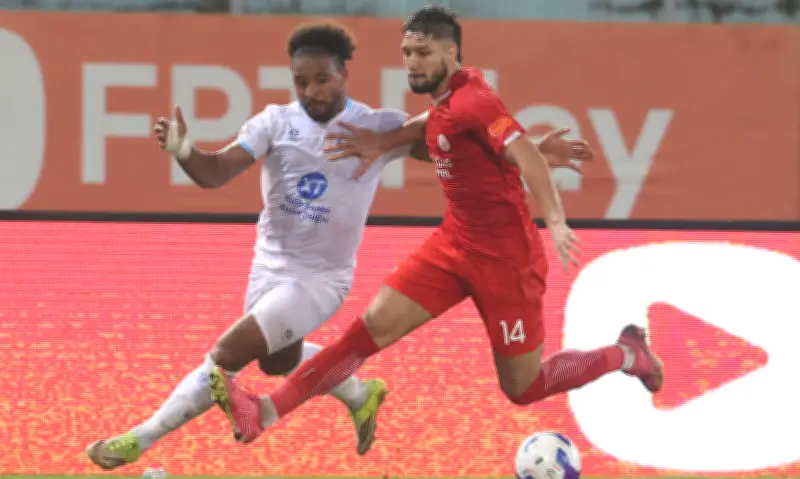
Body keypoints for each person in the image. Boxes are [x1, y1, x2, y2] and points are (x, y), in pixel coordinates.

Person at [85, 19, 592, 467]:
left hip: (320, 280)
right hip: (269, 268)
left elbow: (463, 142)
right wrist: (184, 151)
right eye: (301, 81)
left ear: (345, 74)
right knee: (276, 361)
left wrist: (533, 151)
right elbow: (215, 173)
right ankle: (357, 392)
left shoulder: (377, 125)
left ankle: (138, 439)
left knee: (227, 354)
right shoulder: (274, 122)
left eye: (323, 79)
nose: (312, 91)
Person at [206, 5, 663, 445]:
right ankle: (263, 412)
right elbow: (433, 122)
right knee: (364, 335)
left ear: (451, 53)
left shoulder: (475, 100)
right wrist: (383, 140)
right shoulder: (451, 96)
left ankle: (626, 353)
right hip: (454, 245)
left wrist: (556, 220)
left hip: (507, 263)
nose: (412, 62)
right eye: (406, 52)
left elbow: (522, 155)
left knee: (523, 387)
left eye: (423, 52)